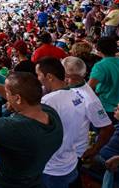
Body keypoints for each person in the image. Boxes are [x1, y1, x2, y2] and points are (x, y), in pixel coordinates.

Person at [0, 71, 63, 187]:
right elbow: (21, 97)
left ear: (18, 98)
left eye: (7, 93)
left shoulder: (14, 127)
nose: (6, 96)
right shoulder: (51, 114)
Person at [35, 57, 85, 187]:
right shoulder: (77, 95)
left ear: (50, 76)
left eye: (39, 75)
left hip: (53, 169)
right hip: (70, 162)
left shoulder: (49, 101)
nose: (38, 78)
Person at [62, 56, 114, 161]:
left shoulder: (90, 99)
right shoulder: (68, 88)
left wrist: (95, 150)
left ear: (68, 75)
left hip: (75, 153)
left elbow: (108, 128)